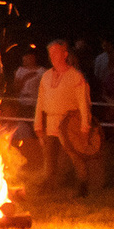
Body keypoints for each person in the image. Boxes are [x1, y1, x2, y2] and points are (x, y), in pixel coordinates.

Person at [33, 40, 99, 195]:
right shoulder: (46, 76)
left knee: (75, 155)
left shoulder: (75, 76)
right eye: (50, 53)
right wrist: (38, 125)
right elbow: (40, 102)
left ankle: (83, 185)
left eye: (56, 52)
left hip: (69, 122)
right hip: (51, 122)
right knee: (50, 158)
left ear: (65, 54)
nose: (53, 56)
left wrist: (85, 125)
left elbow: (83, 102)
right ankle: (49, 185)